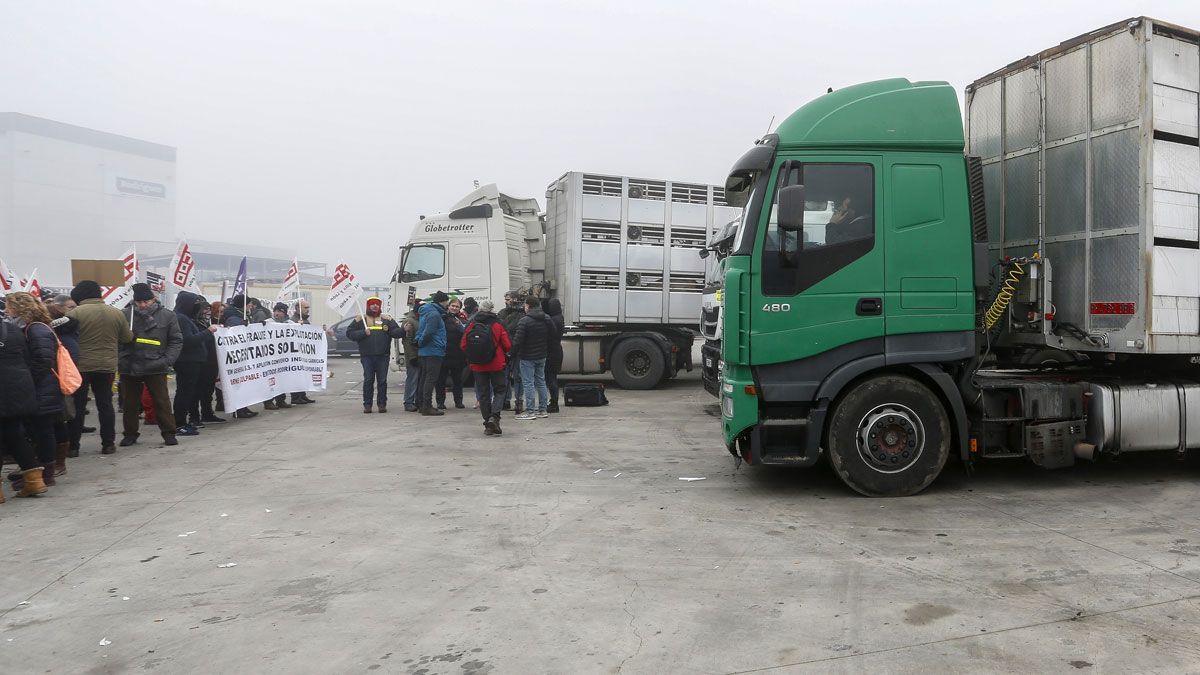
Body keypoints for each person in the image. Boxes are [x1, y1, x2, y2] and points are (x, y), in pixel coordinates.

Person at [4, 293, 64, 489]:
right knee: (36, 430)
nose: (6, 311)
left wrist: (27, 380)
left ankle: (45, 474)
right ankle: (36, 472)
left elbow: (43, 361)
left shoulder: (35, 329)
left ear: (19, 308)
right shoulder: (29, 328)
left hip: (41, 388)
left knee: (43, 430)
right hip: (39, 387)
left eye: (9, 307)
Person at [68, 279, 133, 454]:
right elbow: (127, 338)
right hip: (107, 365)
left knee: (78, 406)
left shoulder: (75, 314)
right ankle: (108, 444)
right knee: (105, 404)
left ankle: (73, 446)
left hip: (81, 366)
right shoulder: (117, 313)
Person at [119, 283, 182, 447]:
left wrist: (167, 360)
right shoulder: (125, 315)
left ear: (153, 299)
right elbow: (116, 339)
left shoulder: (168, 316)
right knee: (130, 403)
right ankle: (130, 434)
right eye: (139, 302)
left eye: (146, 301)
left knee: (161, 401)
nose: (143, 305)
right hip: (130, 365)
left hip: (156, 365)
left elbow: (176, 340)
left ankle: (169, 433)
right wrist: (121, 357)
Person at [0, 311, 48, 499]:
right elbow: (27, 358)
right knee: (14, 432)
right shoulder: (12, 330)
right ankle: (35, 482)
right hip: (18, 387)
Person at [461, 300, 512, 436]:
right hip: (496, 364)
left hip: (478, 365)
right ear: (492, 309)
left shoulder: (472, 323)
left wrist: (474, 356)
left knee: (483, 394)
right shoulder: (498, 324)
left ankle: (488, 425)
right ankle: (494, 417)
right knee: (500, 391)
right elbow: (507, 345)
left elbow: (463, 345)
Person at [172, 292, 218, 436]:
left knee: (188, 392)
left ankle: (182, 422)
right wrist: (208, 332)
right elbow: (189, 341)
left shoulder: (185, 318)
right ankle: (180, 423)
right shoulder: (182, 319)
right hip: (187, 362)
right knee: (184, 393)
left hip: (192, 361)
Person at [347, 297, 403, 413]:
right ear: (368, 306)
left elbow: (395, 332)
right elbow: (349, 333)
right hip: (367, 356)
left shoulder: (386, 319)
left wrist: (404, 329)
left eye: (377, 304)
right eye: (372, 304)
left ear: (380, 306)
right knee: (368, 380)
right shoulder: (360, 319)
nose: (375, 306)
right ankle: (367, 405)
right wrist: (363, 333)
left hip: (383, 356)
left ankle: (382, 404)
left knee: (382, 381)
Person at [48, 303, 85, 469]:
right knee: (72, 412)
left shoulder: (57, 337)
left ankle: (67, 451)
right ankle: (71, 448)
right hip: (80, 373)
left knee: (62, 416)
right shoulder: (69, 332)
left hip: (61, 380)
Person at [511, 296, 552, 420]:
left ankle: (530, 412)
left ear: (528, 306)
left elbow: (518, 341)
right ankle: (543, 410)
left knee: (528, 383)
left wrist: (511, 353)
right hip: (542, 355)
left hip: (527, 356)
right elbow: (553, 334)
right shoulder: (547, 318)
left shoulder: (525, 320)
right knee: (541, 381)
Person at [221, 295, 258, 419]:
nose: (251, 306)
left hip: (243, 355)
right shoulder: (233, 317)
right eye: (248, 304)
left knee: (243, 382)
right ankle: (238, 409)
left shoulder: (242, 315)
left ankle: (243, 407)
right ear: (243, 305)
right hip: (235, 357)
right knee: (237, 383)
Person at [416, 291, 450, 416]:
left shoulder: (426, 312)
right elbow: (429, 332)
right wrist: (421, 342)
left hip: (426, 350)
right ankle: (427, 406)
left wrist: (419, 342)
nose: (448, 303)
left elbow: (422, 330)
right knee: (430, 379)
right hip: (433, 350)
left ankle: (421, 404)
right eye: (447, 301)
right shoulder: (434, 314)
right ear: (442, 301)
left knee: (424, 378)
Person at [192, 300, 225, 426]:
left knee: (208, 390)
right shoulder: (194, 323)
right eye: (205, 309)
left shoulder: (205, 322)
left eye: (208, 309)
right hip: (201, 361)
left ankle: (207, 413)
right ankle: (194, 417)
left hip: (211, 360)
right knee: (197, 391)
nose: (207, 312)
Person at [437, 298, 467, 410]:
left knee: (458, 380)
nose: (454, 308)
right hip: (444, 353)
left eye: (457, 306)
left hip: (458, 354)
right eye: (452, 306)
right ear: (448, 306)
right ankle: (440, 402)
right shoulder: (442, 317)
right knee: (441, 380)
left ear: (460, 308)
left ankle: (458, 401)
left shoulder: (462, 320)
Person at [498, 291, 525, 411]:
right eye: (505, 299)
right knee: (504, 376)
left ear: (515, 299)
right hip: (505, 349)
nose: (506, 301)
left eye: (508, 299)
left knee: (518, 376)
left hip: (518, 350)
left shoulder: (522, 314)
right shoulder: (502, 313)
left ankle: (519, 400)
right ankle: (505, 400)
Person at [202, 300, 226, 421]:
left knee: (212, 385)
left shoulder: (224, 321)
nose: (221, 314)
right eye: (219, 311)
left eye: (223, 312)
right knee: (206, 388)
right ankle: (206, 412)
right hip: (209, 358)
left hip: (218, 357)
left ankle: (209, 411)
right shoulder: (208, 323)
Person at [544, 298, 566, 413]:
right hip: (557, 351)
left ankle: (553, 403)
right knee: (552, 378)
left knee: (550, 379)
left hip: (551, 352)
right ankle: (554, 402)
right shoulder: (559, 318)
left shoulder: (553, 320)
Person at [400, 298, 422, 412]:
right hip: (413, 356)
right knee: (412, 380)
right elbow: (407, 341)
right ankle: (408, 402)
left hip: (421, 355)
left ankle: (417, 401)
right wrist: (413, 357)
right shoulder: (409, 321)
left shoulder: (420, 319)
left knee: (418, 380)